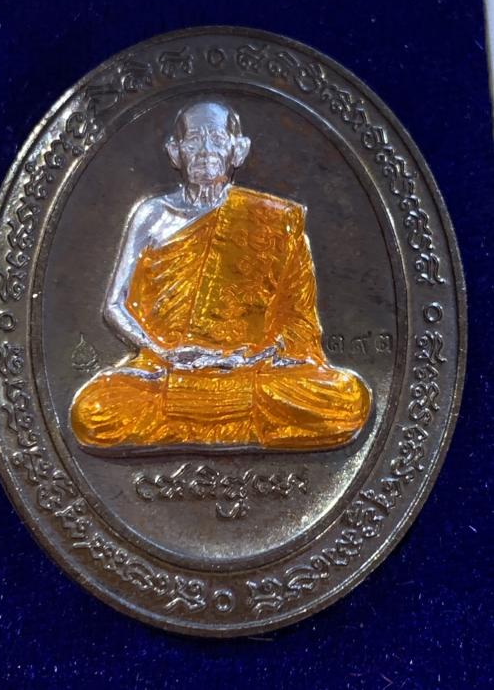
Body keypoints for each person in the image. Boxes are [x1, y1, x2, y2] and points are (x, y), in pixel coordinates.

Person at [70, 100, 371, 450]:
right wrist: (165, 353)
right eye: (194, 140)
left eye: (216, 139)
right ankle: (238, 421)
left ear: (237, 150)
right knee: (93, 411)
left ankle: (193, 418)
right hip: (169, 368)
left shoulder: (275, 219)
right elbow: (115, 306)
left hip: (250, 369)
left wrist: (254, 357)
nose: (205, 150)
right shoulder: (153, 215)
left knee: (346, 400)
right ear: (175, 151)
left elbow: (297, 324)